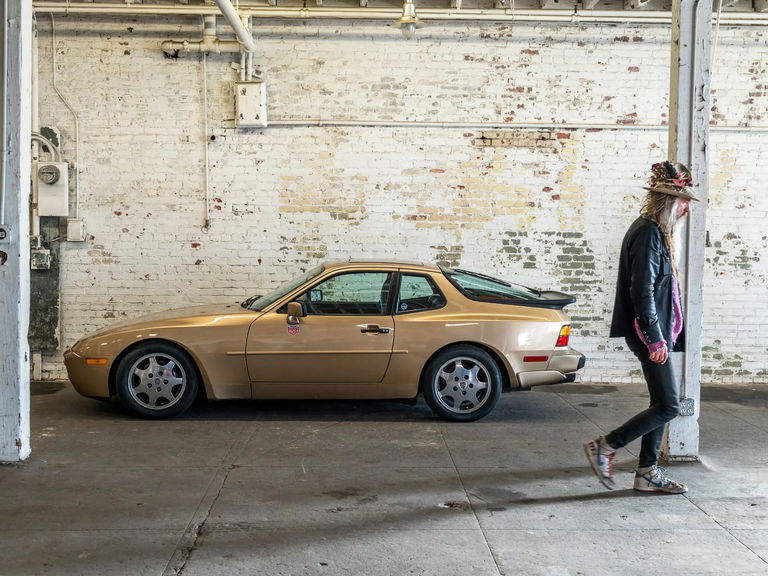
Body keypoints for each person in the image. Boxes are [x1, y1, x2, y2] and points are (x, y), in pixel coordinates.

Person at [584, 160, 698, 494]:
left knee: (659, 404)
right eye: (683, 200)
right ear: (669, 201)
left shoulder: (656, 232)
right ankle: (605, 445)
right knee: (669, 406)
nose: (688, 206)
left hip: (659, 332)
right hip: (650, 333)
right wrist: (654, 338)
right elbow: (642, 289)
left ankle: (647, 473)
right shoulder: (648, 233)